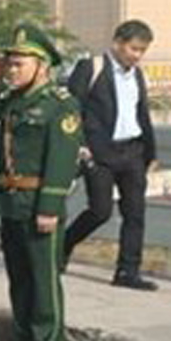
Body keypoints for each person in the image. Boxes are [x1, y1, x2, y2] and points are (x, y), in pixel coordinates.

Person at [0, 24, 82, 341]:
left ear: (42, 66)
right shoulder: (16, 101)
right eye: (10, 63)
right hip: (11, 202)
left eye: (19, 63)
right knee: (19, 277)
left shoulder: (60, 106)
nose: (12, 69)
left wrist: (49, 208)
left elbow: (62, 160)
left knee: (43, 279)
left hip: (39, 203)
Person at [63, 19, 159, 290]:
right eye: (133, 48)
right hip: (99, 153)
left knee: (135, 213)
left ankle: (128, 271)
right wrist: (80, 146)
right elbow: (71, 110)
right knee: (100, 211)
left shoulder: (137, 74)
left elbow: (142, 114)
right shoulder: (90, 68)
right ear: (117, 43)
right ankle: (64, 245)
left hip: (132, 152)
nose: (137, 55)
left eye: (142, 50)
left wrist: (150, 153)